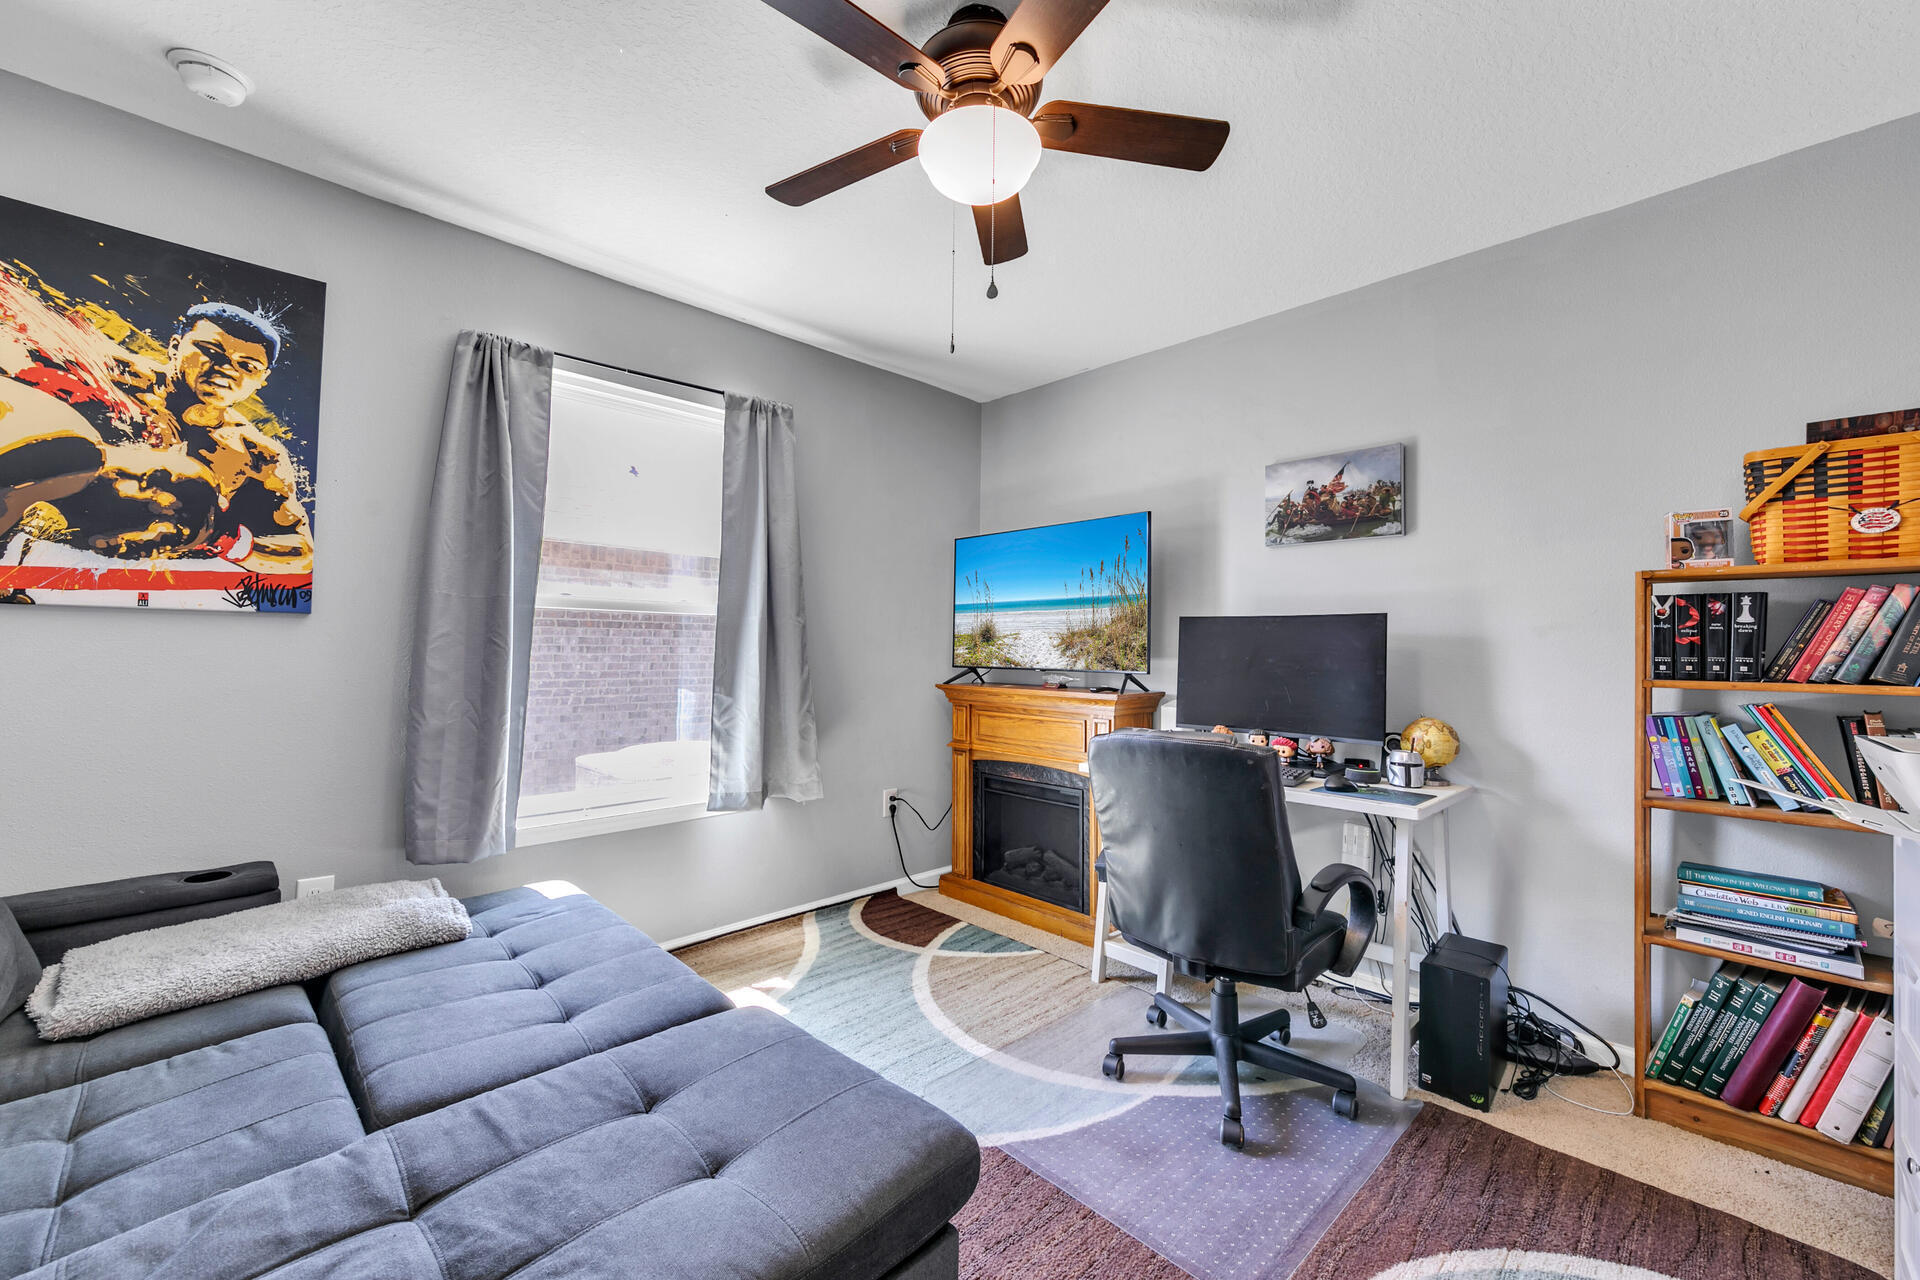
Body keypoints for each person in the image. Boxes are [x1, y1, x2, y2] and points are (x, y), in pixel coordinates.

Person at [136, 303, 312, 571]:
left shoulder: (259, 456)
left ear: (262, 380)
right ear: (174, 347)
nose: (227, 369)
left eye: (247, 366)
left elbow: (301, 553)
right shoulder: (116, 376)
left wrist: (221, 538)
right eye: (210, 351)